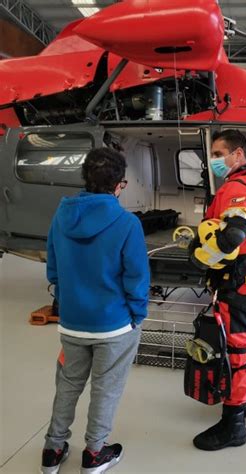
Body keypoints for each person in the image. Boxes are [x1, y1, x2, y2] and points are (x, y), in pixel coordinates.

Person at [41, 148, 150, 473]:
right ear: (119, 184)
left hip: (73, 323)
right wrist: (137, 315)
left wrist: (67, 300)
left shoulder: (61, 217)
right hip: (114, 325)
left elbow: (53, 269)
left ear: (86, 180)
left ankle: (52, 451)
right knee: (106, 388)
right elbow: (136, 277)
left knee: (68, 384)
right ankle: (94, 454)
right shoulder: (127, 223)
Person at [190, 129, 246, 450]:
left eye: (218, 154)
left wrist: (202, 256)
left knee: (236, 353)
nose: (213, 160)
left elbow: (233, 235)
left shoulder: (237, 187)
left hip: (237, 284)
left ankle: (234, 423)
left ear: (238, 155)